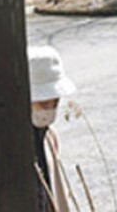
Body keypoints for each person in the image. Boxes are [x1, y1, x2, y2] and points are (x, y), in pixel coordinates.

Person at [27, 45, 75, 212]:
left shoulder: (49, 137)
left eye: (55, 101)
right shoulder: (8, 141)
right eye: (43, 102)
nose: (50, 108)